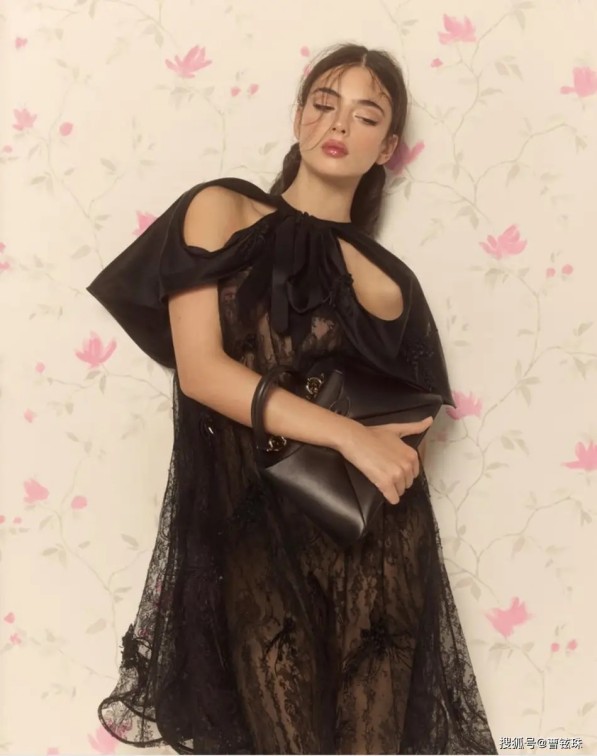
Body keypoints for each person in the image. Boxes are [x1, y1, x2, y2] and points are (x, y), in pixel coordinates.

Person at [87, 42, 497, 755]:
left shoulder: (390, 281)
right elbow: (202, 373)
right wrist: (346, 433)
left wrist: (375, 440)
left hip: (375, 554)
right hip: (255, 541)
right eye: (324, 103)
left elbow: (410, 433)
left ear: (386, 148)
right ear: (298, 115)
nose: (339, 123)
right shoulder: (220, 208)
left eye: (366, 115)